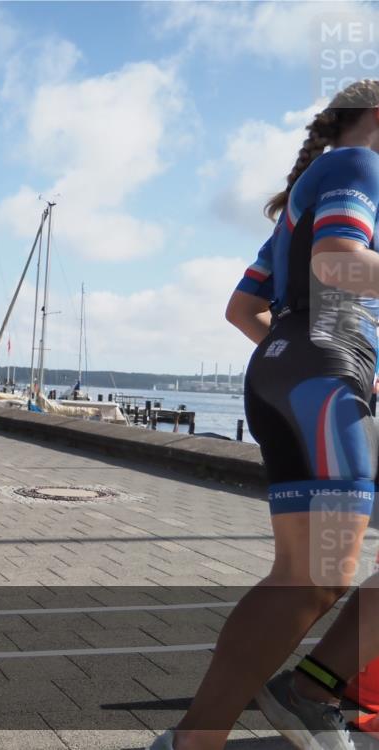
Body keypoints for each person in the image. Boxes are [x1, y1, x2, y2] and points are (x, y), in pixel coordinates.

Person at [150, 79, 379, 750]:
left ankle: (310, 689)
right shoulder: (358, 164)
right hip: (321, 376)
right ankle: (196, 740)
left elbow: (241, 309)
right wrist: (330, 361)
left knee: (309, 574)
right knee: (313, 576)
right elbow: (339, 264)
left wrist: (303, 358)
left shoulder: (309, 192)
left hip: (303, 371)